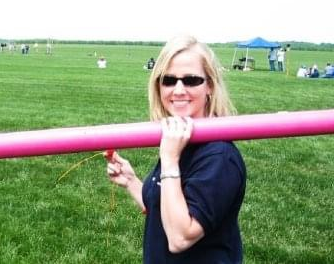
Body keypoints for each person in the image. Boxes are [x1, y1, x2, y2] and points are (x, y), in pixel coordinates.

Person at [105, 35, 246, 263]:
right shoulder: (180, 140)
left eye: (191, 80)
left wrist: (169, 159)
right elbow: (166, 211)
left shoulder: (219, 156)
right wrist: (131, 181)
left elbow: (180, 237)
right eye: (168, 80)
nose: (178, 90)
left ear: (209, 85)